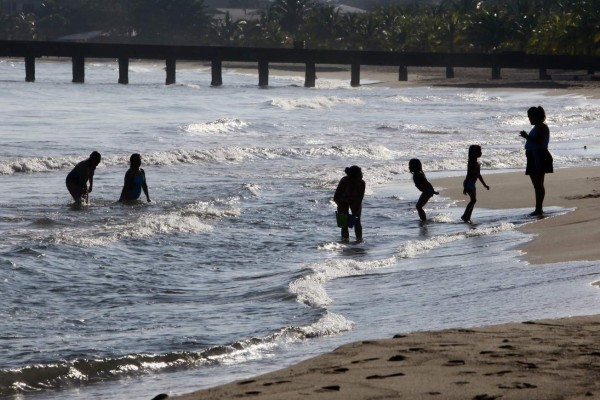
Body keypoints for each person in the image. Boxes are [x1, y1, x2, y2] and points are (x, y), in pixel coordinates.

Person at [520, 106, 553, 216]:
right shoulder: (538, 127)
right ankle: (538, 208)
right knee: (537, 184)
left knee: (538, 184)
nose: (529, 119)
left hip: (538, 155)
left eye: (530, 117)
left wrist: (526, 137)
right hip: (534, 156)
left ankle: (539, 209)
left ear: (537, 116)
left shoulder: (541, 127)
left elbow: (539, 141)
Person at [333, 165, 365, 241]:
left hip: (355, 201)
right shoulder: (344, 181)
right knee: (344, 223)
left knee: (357, 221)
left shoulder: (362, 183)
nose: (362, 176)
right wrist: (341, 207)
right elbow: (336, 196)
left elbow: (360, 198)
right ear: (352, 177)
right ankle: (345, 240)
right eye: (359, 175)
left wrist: (356, 212)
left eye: (361, 174)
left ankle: (359, 240)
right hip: (342, 201)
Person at [461, 145, 490, 223]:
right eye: (479, 151)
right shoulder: (471, 163)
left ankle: (468, 217)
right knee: (473, 200)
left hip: (472, 184)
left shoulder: (477, 163)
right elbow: (468, 174)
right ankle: (464, 216)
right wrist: (465, 187)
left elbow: (478, 175)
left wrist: (484, 185)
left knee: (473, 201)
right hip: (468, 183)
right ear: (474, 153)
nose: (481, 152)